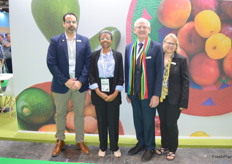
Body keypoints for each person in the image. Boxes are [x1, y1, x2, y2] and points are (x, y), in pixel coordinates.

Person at [47, 12, 91, 157]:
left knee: (79, 114)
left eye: (73, 22)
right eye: (68, 22)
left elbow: (87, 63)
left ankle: (80, 140)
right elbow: (51, 63)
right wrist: (65, 81)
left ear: (76, 23)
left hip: (79, 85)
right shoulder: (55, 41)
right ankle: (60, 140)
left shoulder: (84, 41)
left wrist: (80, 81)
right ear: (63, 24)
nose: (71, 24)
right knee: (60, 114)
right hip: (61, 85)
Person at [124, 18, 164, 162]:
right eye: (139, 27)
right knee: (138, 120)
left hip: (149, 93)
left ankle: (149, 147)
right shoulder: (129, 47)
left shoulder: (156, 47)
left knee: (148, 121)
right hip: (134, 92)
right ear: (134, 30)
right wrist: (127, 91)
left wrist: (156, 94)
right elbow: (127, 69)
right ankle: (140, 143)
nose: (141, 29)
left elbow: (160, 72)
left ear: (149, 30)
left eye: (144, 27)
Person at [89, 30, 124, 158]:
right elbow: (91, 75)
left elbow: (121, 75)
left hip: (114, 90)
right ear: (99, 40)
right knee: (102, 121)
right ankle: (102, 147)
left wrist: (115, 93)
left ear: (111, 40)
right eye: (102, 38)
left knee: (113, 121)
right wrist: (98, 91)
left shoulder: (118, 55)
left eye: (107, 38)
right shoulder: (94, 56)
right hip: (98, 91)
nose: (105, 40)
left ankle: (115, 147)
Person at [155, 33, 189, 161]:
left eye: (172, 43)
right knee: (163, 122)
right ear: (163, 44)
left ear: (176, 46)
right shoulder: (158, 58)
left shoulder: (181, 59)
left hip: (175, 99)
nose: (169, 45)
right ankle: (164, 146)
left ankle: (172, 149)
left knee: (171, 123)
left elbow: (185, 82)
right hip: (161, 98)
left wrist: (183, 102)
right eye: (167, 43)